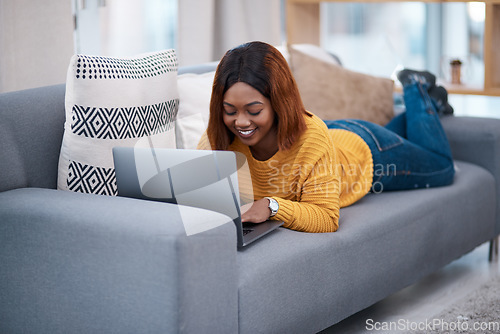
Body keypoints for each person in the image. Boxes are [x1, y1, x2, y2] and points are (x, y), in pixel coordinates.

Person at [197, 41, 455, 233]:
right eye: (229, 110)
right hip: (323, 136)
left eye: (254, 111)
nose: (240, 122)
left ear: (279, 104)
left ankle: (415, 86)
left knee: (442, 167)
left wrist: (272, 206)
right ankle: (428, 105)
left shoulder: (312, 140)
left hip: (363, 150)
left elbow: (326, 218)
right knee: (403, 136)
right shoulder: (217, 137)